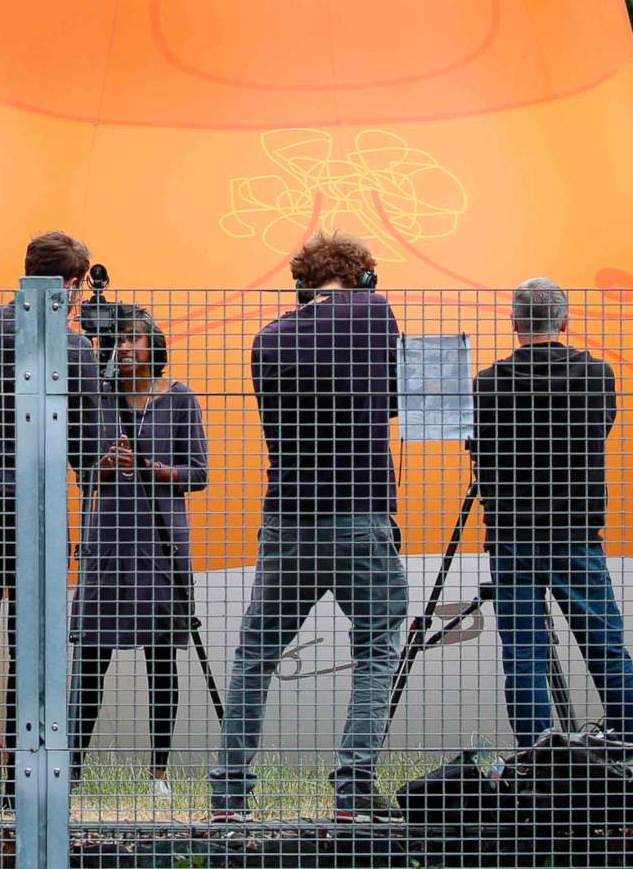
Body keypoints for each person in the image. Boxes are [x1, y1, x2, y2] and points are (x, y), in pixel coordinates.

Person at [210, 231, 407, 823]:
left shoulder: (268, 339)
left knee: (255, 652)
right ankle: (352, 787)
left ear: (301, 282)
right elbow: (394, 400)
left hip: (288, 516)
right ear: (364, 277)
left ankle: (228, 792)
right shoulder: (374, 313)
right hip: (360, 510)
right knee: (377, 643)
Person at [0, 231, 116, 802]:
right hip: (35, 507)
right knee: (30, 643)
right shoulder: (73, 351)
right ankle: (23, 774)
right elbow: (91, 447)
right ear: (67, 285)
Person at [470, 277, 633, 750]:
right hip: (576, 527)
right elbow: (602, 428)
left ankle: (535, 758)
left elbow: (480, 447)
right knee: (605, 649)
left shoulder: (487, 384)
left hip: (513, 532)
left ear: (514, 324)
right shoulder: (597, 375)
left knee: (524, 656)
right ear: (565, 321)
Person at [70, 310, 209, 794]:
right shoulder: (96, 401)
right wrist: (103, 464)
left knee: (161, 659)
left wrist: (146, 465)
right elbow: (81, 469)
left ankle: (158, 774)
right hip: (106, 541)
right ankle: (71, 771)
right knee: (89, 659)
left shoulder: (179, 398)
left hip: (159, 543)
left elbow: (198, 473)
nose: (127, 348)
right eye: (120, 340)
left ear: (155, 346)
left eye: (136, 339)